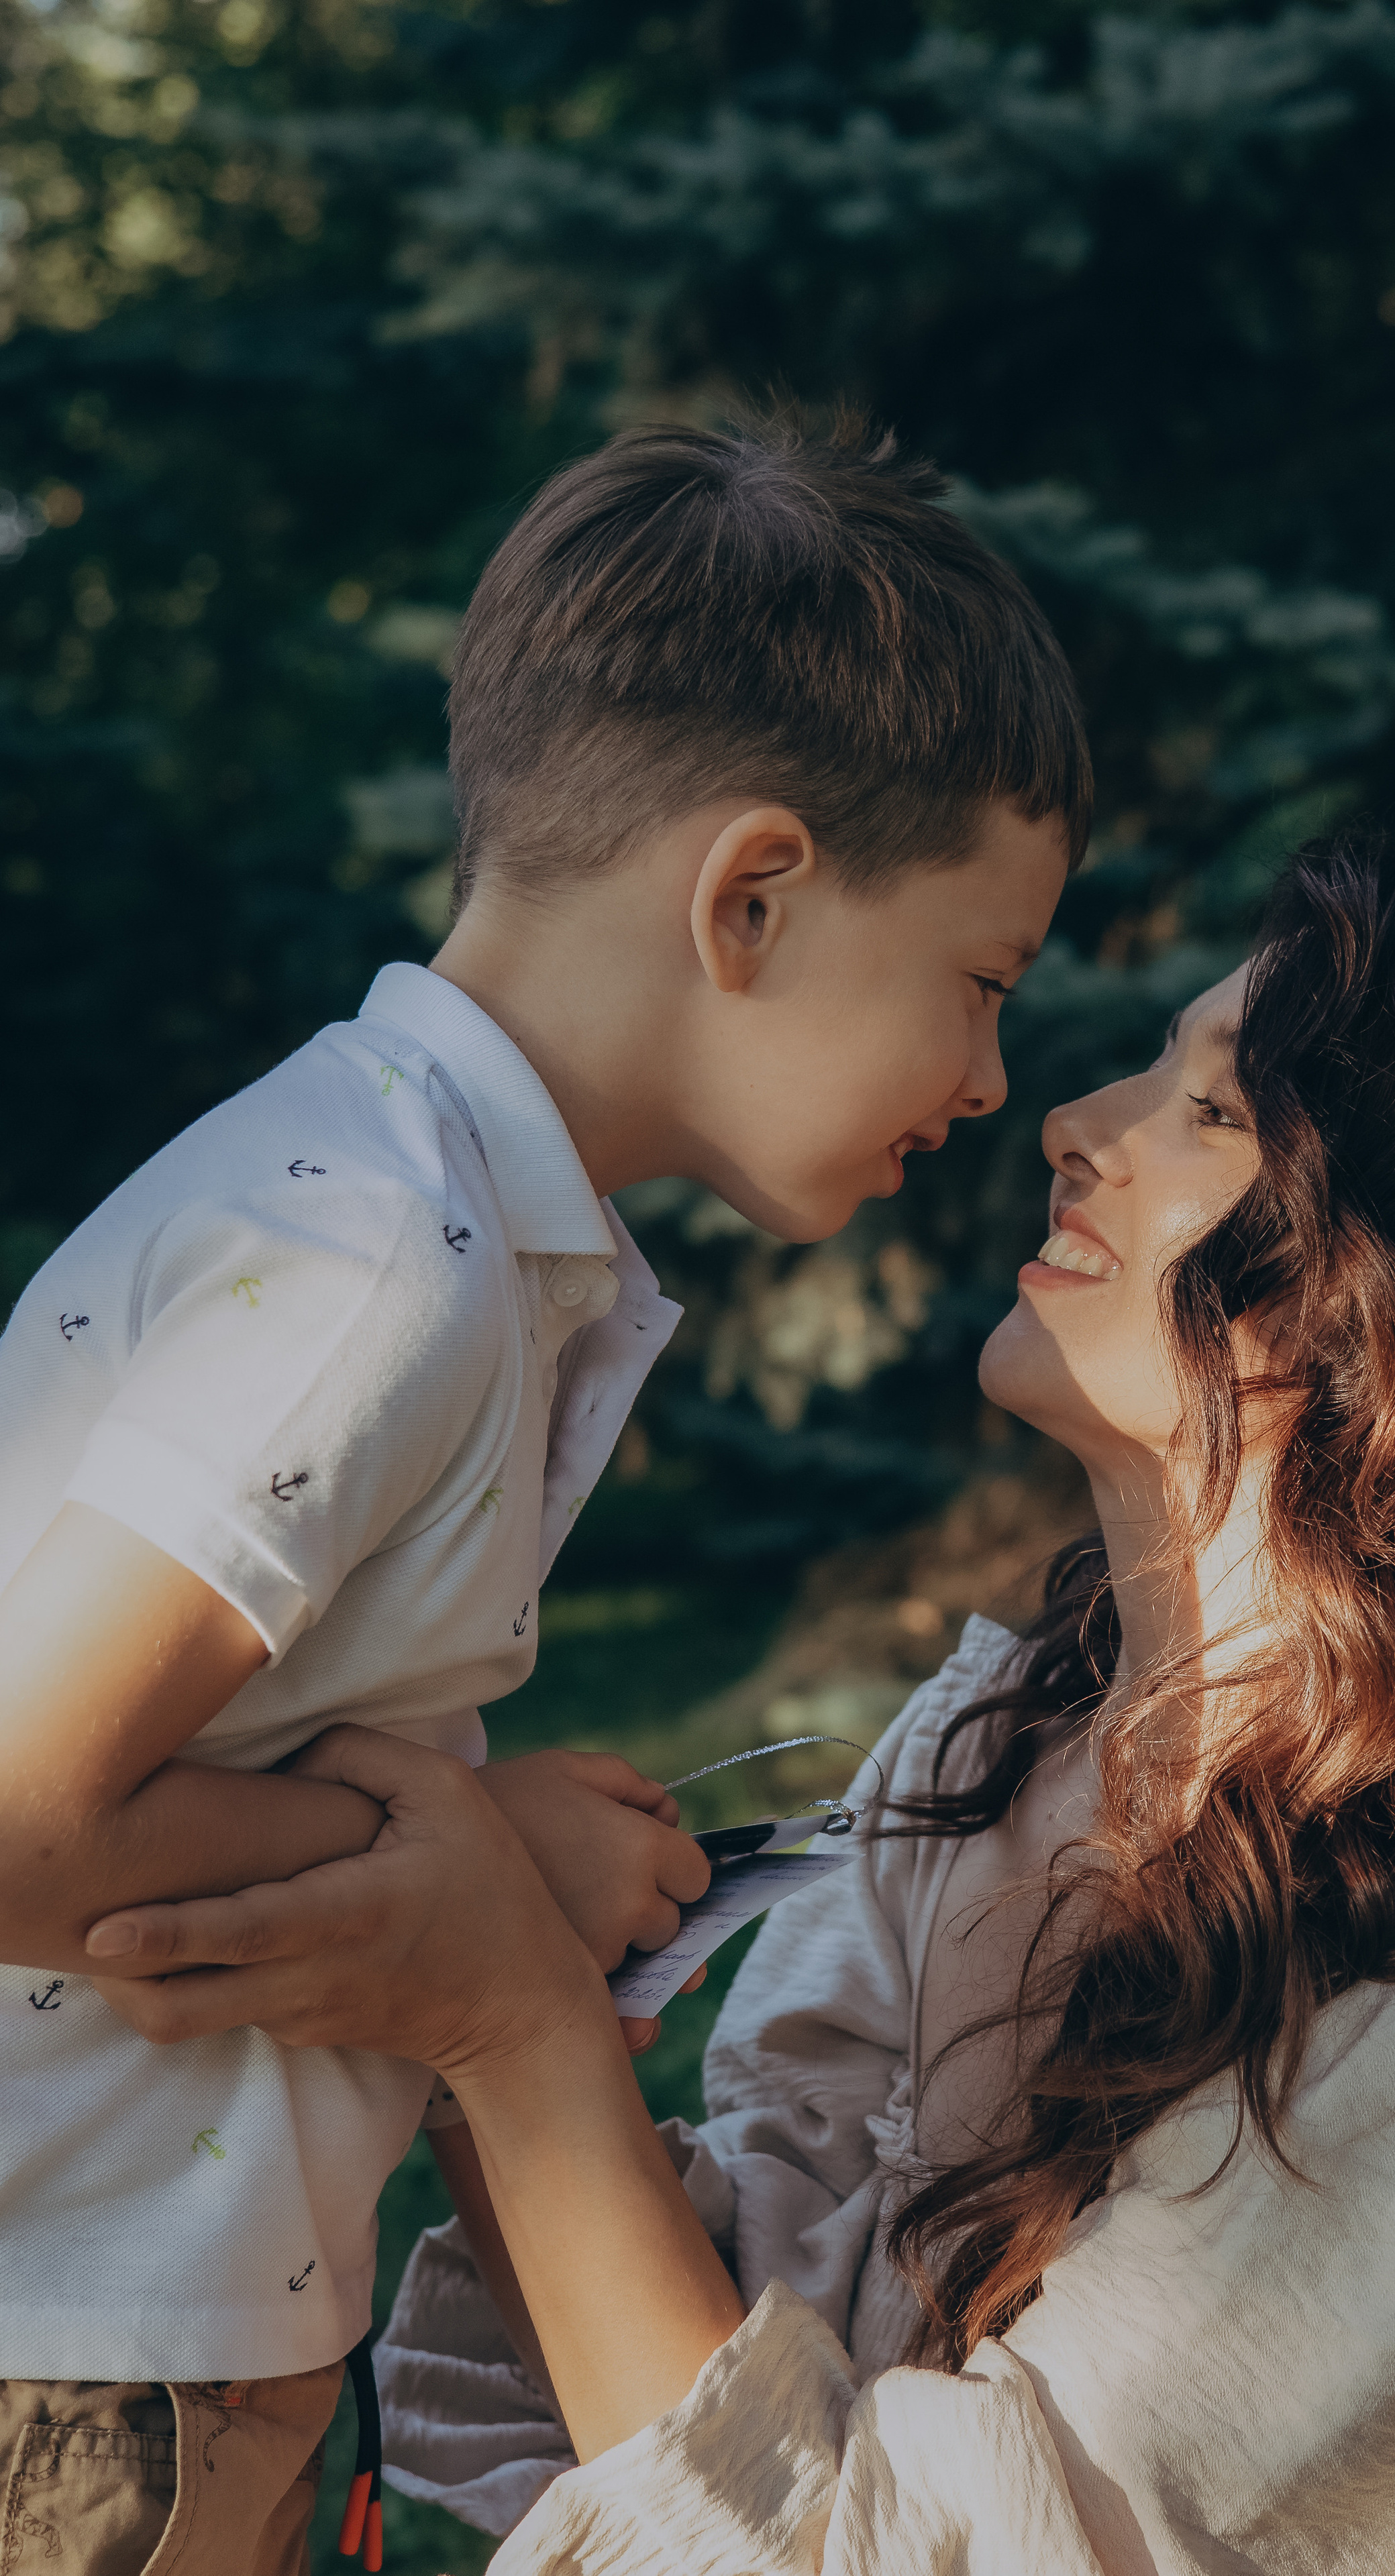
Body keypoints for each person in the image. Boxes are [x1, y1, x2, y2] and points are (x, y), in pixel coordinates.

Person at [89, 833, 1395, 2574]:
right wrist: (496, 1988)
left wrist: (512, 2024)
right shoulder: (1008, 1740)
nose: (1077, 1117)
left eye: (1217, 1112)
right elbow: (740, 2382)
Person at [0, 411, 1084, 2575]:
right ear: (751, 896)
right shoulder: (374, 1265)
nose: (989, 1083)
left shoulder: (423, 1211)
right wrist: (477, 1859)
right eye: (979, 982)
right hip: (84, 2378)